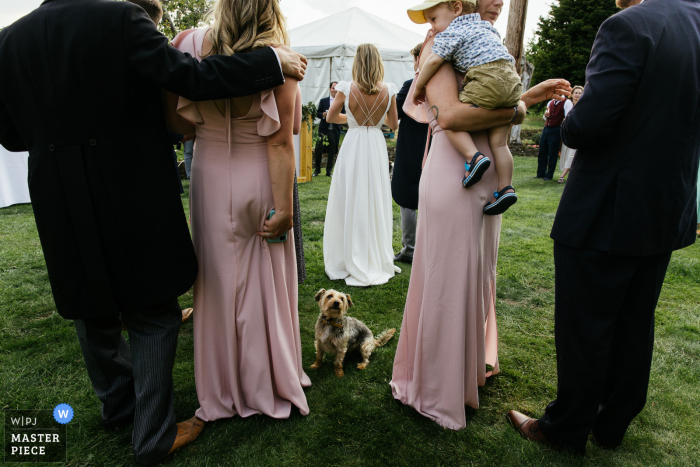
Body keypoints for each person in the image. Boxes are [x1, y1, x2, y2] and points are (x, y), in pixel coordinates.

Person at [0, 0, 307, 464]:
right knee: (154, 311)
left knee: (90, 304)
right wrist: (268, 61)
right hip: (128, 183)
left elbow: (11, 134)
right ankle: (153, 434)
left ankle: (118, 405)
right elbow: (191, 79)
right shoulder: (120, 17)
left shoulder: (9, 38)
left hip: (58, 192)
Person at [507, 0, 700, 455]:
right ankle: (612, 425)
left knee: (585, 324)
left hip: (608, 207)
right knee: (635, 321)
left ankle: (566, 428)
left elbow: (588, 126)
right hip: (666, 206)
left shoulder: (627, 27)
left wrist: (574, 111)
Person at [390, 0, 571, 430]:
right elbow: (452, 115)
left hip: (487, 175)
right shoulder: (437, 47)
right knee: (450, 274)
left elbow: (502, 106)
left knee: (476, 273)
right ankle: (437, 384)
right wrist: (515, 108)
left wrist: (523, 100)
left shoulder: (481, 42)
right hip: (457, 174)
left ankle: (466, 371)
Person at [168, 0, 311, 432]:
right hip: (260, 176)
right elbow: (282, 141)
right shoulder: (281, 58)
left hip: (209, 175)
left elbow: (181, 125)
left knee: (216, 281)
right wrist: (285, 209)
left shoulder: (185, 44)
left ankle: (221, 387)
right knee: (265, 281)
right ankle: (266, 380)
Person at [410, 0, 522, 215]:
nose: (432, 27)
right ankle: (506, 187)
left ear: (457, 8)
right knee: (500, 144)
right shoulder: (487, 28)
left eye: (433, 19)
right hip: (511, 82)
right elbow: (511, 109)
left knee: (451, 115)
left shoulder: (449, 33)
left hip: (484, 81)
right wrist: (516, 110)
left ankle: (474, 157)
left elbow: (449, 115)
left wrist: (418, 87)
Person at [323, 43, 401, 287]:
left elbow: (330, 117)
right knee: (374, 196)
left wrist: (355, 119)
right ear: (378, 62)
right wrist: (372, 121)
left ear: (357, 62)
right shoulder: (388, 90)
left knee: (350, 195)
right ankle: (375, 255)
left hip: (354, 143)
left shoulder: (346, 88)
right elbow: (393, 124)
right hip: (375, 145)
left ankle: (348, 256)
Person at [392, 43, 430, 264]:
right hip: (434, 146)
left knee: (406, 197)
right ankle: (425, 246)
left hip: (411, 149)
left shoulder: (411, 85)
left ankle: (410, 248)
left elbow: (394, 114)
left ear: (418, 58)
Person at [536, 86, 573, 180]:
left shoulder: (567, 102)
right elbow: (546, 116)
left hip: (557, 129)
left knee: (553, 152)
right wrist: (545, 116)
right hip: (547, 128)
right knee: (542, 151)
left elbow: (568, 117)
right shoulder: (551, 102)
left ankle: (549, 175)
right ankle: (540, 173)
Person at [313, 82, 344, 177]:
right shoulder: (324, 101)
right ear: (330, 89)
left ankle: (329, 171)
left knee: (332, 151)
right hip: (323, 130)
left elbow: (344, 114)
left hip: (334, 130)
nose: (335, 90)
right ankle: (317, 170)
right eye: (333, 88)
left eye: (336, 88)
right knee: (318, 149)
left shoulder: (341, 102)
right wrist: (323, 115)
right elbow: (317, 113)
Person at [557, 85, 583, 184]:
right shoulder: (569, 104)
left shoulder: (582, 105)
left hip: (578, 133)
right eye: (576, 93)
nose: (577, 95)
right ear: (572, 95)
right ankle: (570, 174)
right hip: (569, 132)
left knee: (571, 154)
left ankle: (562, 175)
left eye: (580, 93)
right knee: (566, 153)